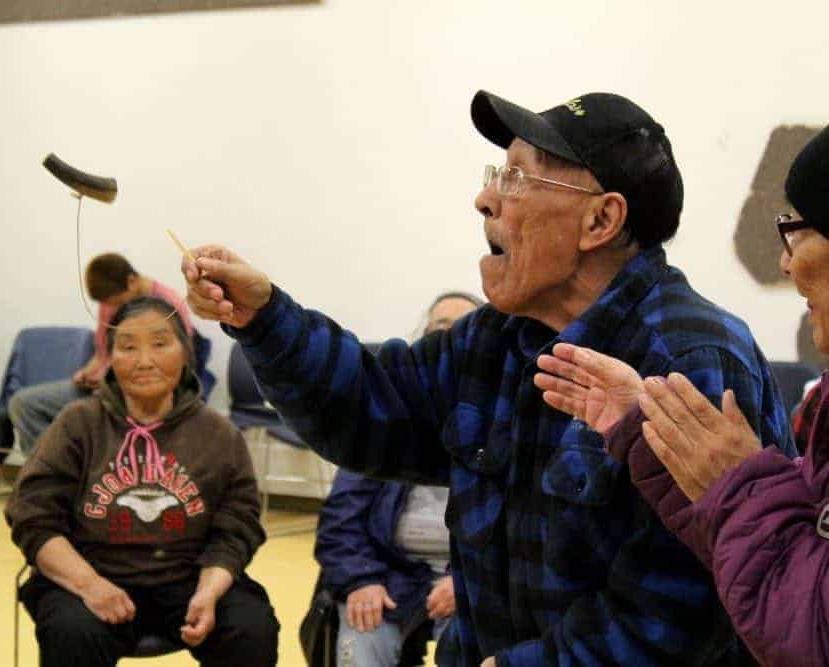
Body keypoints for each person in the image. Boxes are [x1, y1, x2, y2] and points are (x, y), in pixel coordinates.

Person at [179, 90, 795, 667]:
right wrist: (263, 317)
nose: (487, 199)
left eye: (518, 178)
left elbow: (687, 607)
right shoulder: (499, 337)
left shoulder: (692, 362)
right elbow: (368, 401)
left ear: (600, 221)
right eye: (495, 175)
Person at [534, 125, 829, 666]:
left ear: (604, 218)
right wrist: (639, 429)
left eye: (797, 229)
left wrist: (738, 485)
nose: (785, 264)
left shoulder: (694, 351)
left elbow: (807, 628)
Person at [5, 296, 279, 667]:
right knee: (72, 632)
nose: (144, 361)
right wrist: (90, 585)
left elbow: (237, 528)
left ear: (184, 353)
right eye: (128, 347)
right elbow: (33, 516)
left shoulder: (218, 435)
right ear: (110, 359)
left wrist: (209, 591)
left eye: (160, 344)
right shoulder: (78, 424)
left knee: (251, 628)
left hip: (189, 578)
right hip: (92, 572)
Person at [316, 292, 481, 667]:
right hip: (389, 577)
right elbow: (340, 520)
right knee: (359, 647)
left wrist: (469, 585)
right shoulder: (383, 418)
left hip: (473, 583)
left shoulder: (506, 420)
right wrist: (360, 580)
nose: (449, 338)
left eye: (463, 329)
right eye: (439, 327)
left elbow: (524, 537)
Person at [8, 253, 213, 454]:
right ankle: (51, 474)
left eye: (115, 301)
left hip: (141, 395)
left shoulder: (170, 304)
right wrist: (87, 373)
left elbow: (179, 365)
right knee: (23, 404)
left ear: (131, 281)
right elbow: (102, 355)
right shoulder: (109, 304)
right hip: (105, 389)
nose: (111, 308)